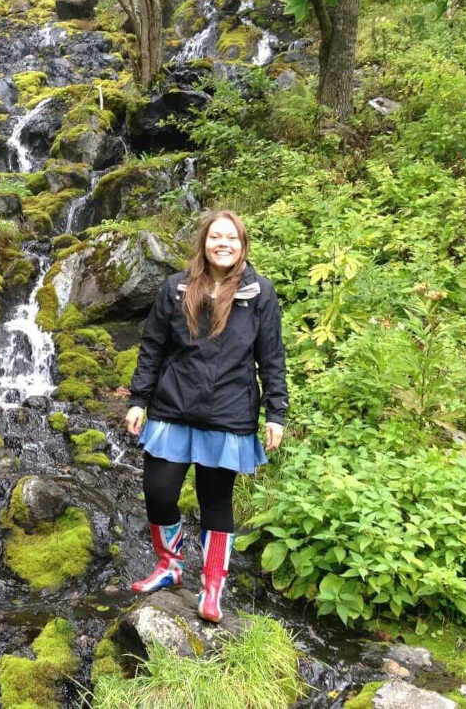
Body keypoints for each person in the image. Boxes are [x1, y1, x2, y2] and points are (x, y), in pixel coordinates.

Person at [124, 209, 288, 623]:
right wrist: (138, 400)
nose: (223, 244)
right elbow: (153, 348)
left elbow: (272, 357)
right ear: (204, 243)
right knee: (159, 492)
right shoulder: (175, 288)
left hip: (228, 411)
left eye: (231, 238)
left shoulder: (259, 293)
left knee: (215, 501)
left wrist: (276, 413)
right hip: (172, 405)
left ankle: (213, 585)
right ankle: (169, 566)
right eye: (216, 237)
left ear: (242, 244)